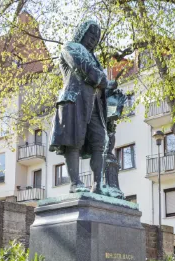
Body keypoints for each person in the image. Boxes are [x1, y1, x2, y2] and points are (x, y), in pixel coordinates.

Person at [49, 20, 116, 194]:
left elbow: (95, 76)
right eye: (90, 35)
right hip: (74, 100)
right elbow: (84, 68)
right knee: (74, 141)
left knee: (99, 142)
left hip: (94, 105)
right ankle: (75, 183)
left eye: (96, 38)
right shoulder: (70, 47)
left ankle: (98, 185)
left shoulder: (94, 58)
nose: (93, 40)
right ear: (82, 32)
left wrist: (104, 84)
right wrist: (104, 81)